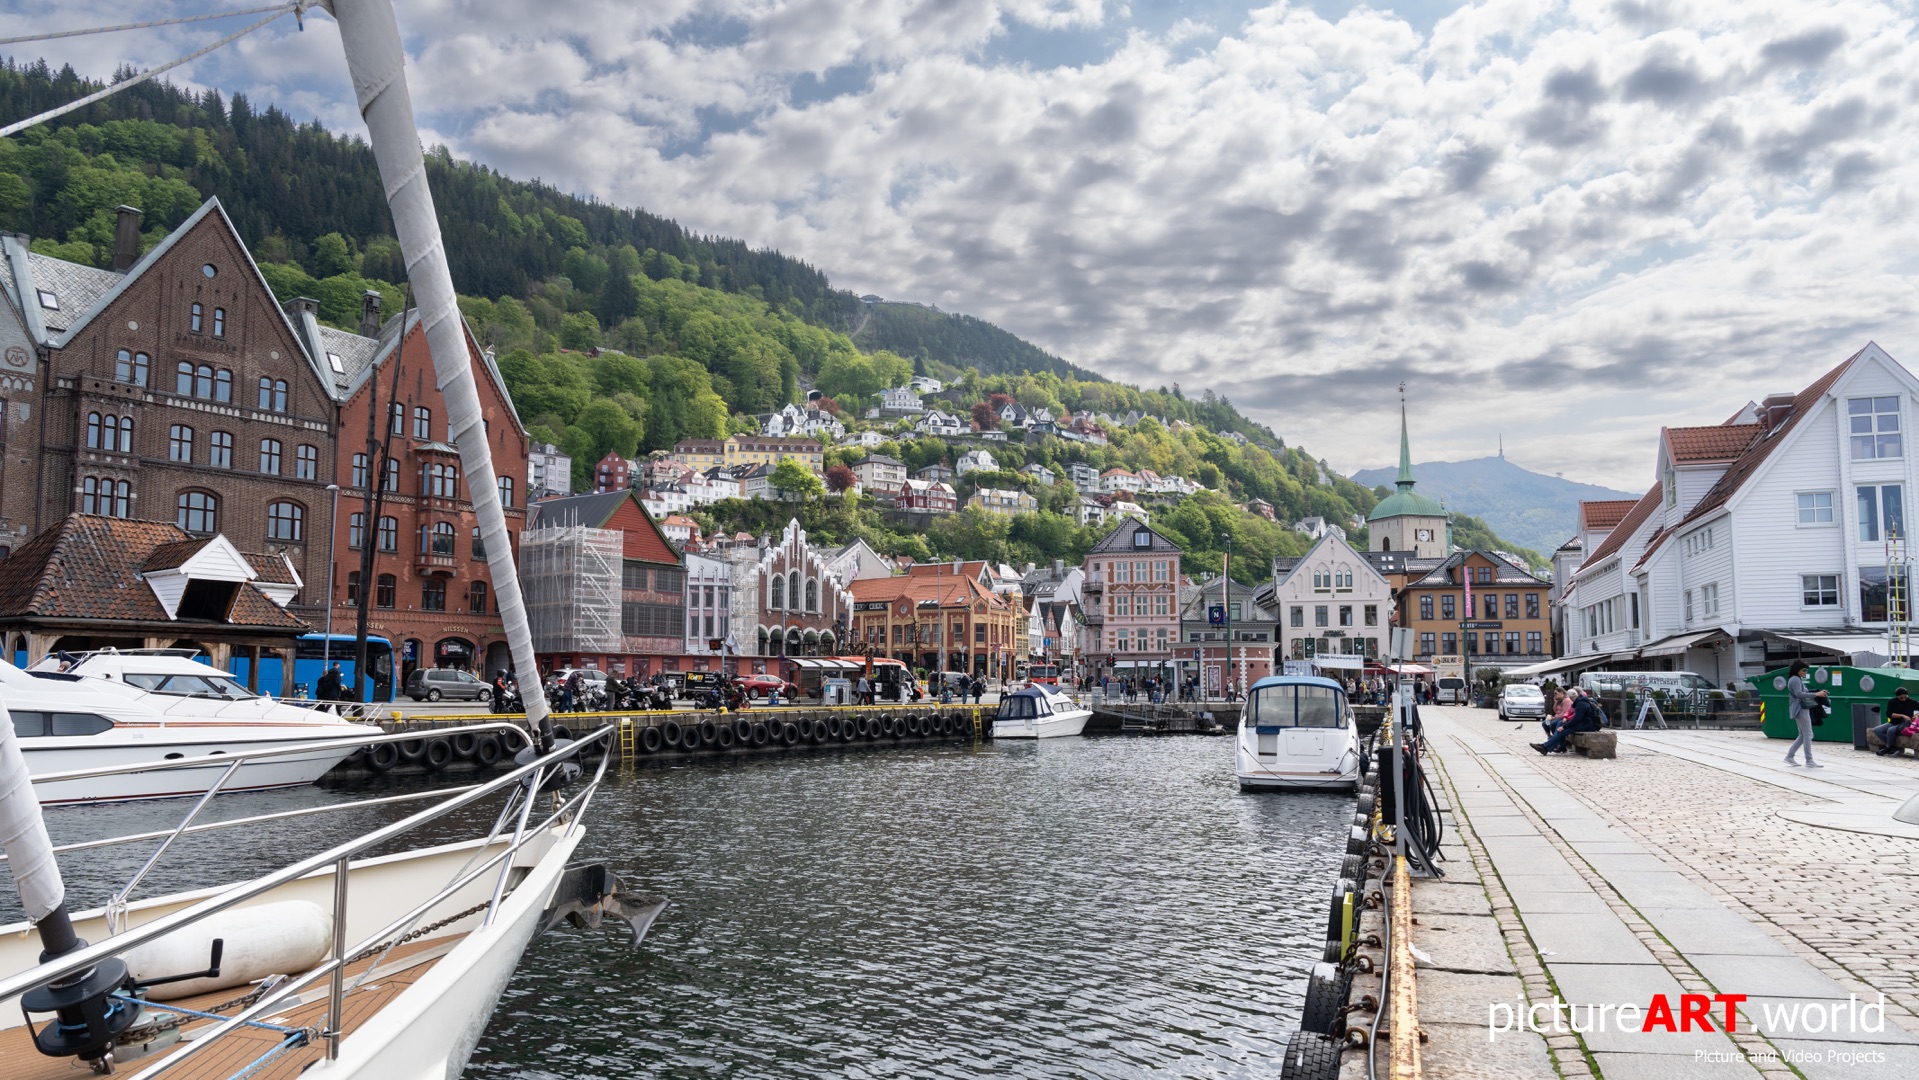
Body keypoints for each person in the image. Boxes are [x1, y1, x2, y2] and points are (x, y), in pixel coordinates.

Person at [1533, 688, 1604, 754]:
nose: (1570, 700)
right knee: (1560, 728)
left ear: (1573, 697)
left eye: (1570, 698)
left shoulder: (1581, 704)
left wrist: (1564, 726)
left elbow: (1577, 719)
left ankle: (1546, 747)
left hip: (1587, 726)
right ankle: (1546, 747)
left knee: (1561, 730)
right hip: (1584, 724)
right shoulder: (1581, 702)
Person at [1785, 660, 1828, 768]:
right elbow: (1799, 694)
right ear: (1797, 669)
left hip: (1800, 708)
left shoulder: (1796, 679)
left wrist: (1817, 693)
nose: (1805, 672)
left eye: (1806, 671)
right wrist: (1817, 694)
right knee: (1808, 734)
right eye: (1804, 670)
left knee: (1803, 734)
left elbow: (1802, 693)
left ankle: (1790, 756)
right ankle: (1809, 760)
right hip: (1800, 709)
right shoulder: (1795, 679)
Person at [1872, 687, 1919, 755]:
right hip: (1894, 722)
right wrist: (1902, 715)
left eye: (1905, 697)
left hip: (1904, 723)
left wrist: (1916, 715)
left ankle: (1888, 747)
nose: (1903, 699)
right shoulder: (1892, 702)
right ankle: (1892, 747)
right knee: (1876, 730)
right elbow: (1889, 714)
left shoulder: (1912, 702)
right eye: (1901, 698)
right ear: (1897, 696)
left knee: (1890, 730)